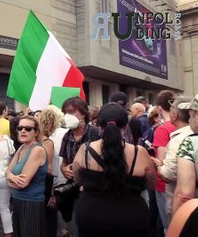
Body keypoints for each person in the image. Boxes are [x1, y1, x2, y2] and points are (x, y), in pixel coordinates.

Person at [73, 103, 157, 237]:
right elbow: (151, 183)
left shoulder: (85, 149)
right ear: (125, 126)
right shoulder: (138, 152)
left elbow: (77, 178)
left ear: (99, 126)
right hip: (131, 216)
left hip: (91, 214)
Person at [59, 97, 100, 236]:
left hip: (95, 191)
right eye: (66, 112)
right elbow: (64, 162)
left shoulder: (96, 133)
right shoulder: (67, 136)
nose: (68, 116)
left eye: (71, 111)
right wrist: (64, 169)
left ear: (83, 113)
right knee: (76, 228)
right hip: (73, 190)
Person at [150, 97, 193, 220]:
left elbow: (168, 174)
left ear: (174, 115)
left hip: (180, 205)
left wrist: (158, 165)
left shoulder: (177, 139)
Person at [6, 116, 47, 237]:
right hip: (17, 200)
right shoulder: (22, 148)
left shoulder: (37, 150)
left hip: (31, 203)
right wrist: (11, 177)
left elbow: (22, 183)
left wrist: (10, 178)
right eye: (20, 128)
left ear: (36, 132)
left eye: (28, 128)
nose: (23, 131)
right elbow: (7, 172)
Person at [153, 90, 176, 231]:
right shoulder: (185, 127)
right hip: (183, 181)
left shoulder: (162, 130)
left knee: (169, 227)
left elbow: (161, 161)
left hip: (164, 184)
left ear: (159, 108)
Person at [172, 94, 198, 215]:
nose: (188, 120)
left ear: (196, 116)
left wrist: (175, 229)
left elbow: (184, 194)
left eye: (190, 116)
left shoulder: (190, 143)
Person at [37, 108, 59, 237]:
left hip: (37, 183)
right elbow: (49, 169)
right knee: (49, 221)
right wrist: (52, 194)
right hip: (45, 184)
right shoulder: (47, 142)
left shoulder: (37, 139)